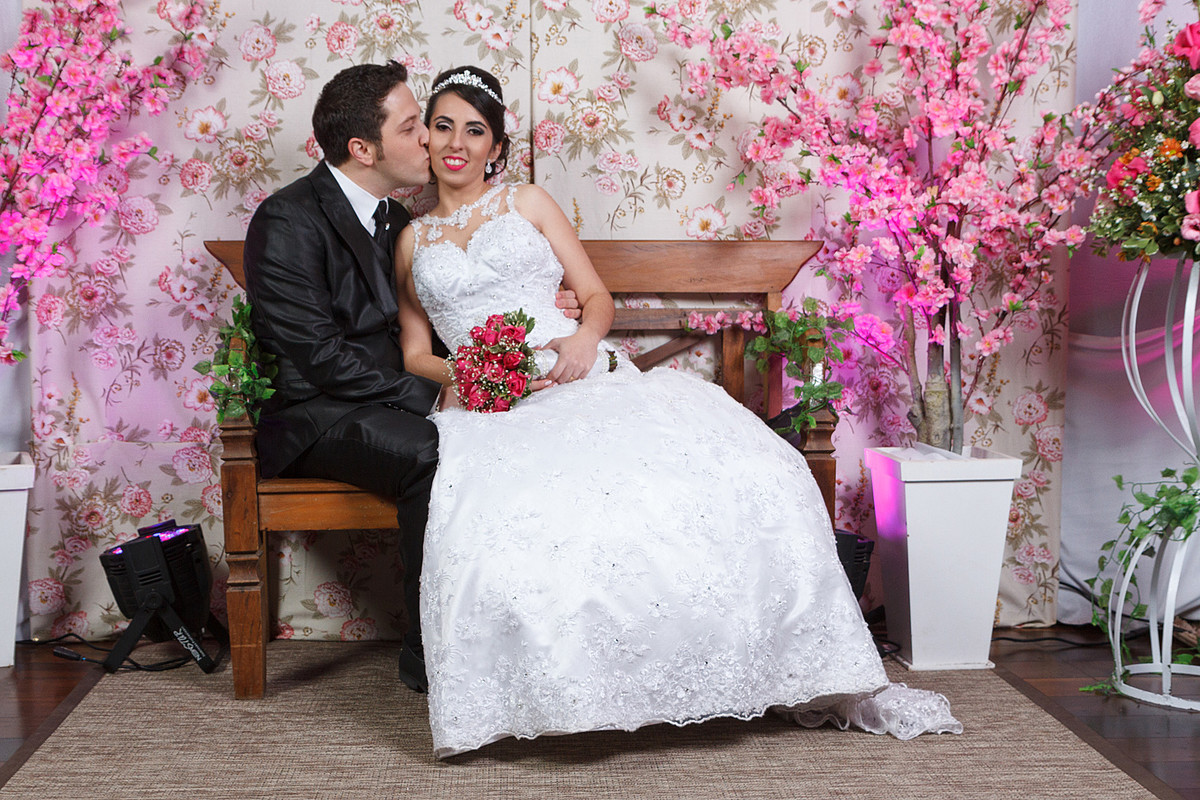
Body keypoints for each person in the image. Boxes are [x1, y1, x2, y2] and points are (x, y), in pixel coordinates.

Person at [394, 66, 960, 759]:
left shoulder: (529, 203)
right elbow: (415, 352)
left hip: (573, 371)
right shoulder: (412, 240)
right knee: (516, 506)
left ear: (496, 147)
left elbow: (595, 299)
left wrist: (581, 342)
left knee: (732, 472)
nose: (457, 143)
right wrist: (472, 373)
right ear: (425, 138)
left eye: (474, 130)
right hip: (485, 398)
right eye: (443, 126)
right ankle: (559, 689)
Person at [241, 61, 578, 694]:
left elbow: (439, 315)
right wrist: (437, 392)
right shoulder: (287, 219)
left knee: (512, 440)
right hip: (320, 415)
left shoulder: (397, 222)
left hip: (386, 398)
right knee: (439, 453)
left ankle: (530, 637)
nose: (430, 137)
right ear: (363, 149)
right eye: (412, 127)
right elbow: (318, 357)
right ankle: (431, 656)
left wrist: (542, 309)